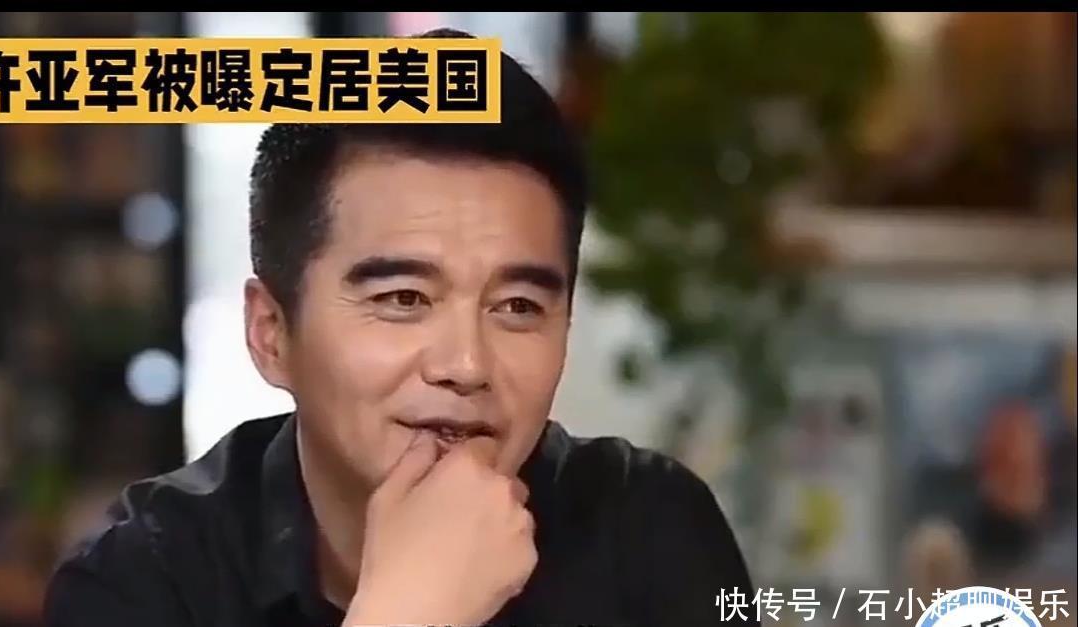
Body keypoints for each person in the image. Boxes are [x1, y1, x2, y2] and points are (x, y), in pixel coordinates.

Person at [43, 28, 757, 627]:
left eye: (518, 307)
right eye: (404, 298)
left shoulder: (648, 531)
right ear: (271, 332)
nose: (465, 364)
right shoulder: (143, 581)